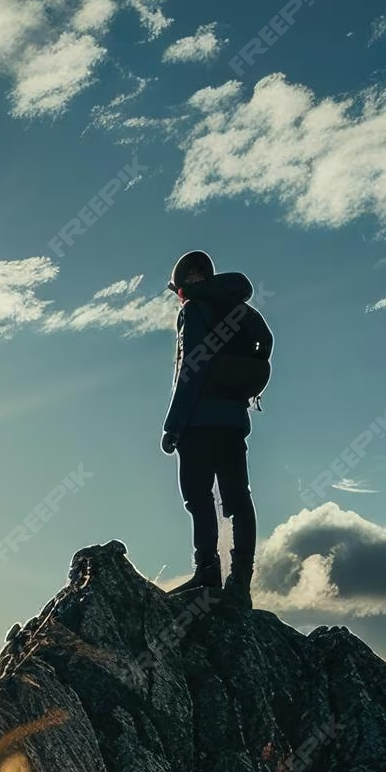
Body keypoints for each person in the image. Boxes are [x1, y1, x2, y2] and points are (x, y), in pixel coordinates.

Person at [161, 250, 272, 607]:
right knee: (239, 498)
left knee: (198, 497)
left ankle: (207, 574)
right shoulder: (242, 309)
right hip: (234, 420)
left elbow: (190, 370)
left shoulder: (193, 311)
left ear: (184, 286)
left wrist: (173, 426)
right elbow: (266, 344)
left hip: (198, 422)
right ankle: (240, 584)